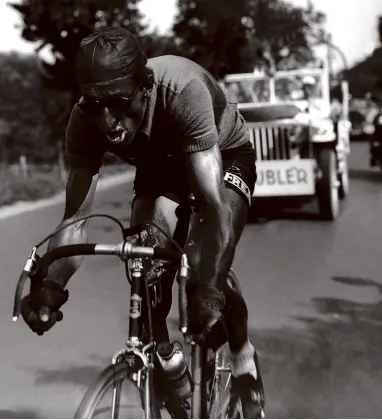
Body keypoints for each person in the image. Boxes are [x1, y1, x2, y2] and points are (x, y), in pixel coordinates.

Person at [20, 27, 264, 417]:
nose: (108, 121)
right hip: (160, 168)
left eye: (118, 103)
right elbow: (76, 218)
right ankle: (167, 362)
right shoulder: (86, 120)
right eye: (94, 106)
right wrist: (52, 283)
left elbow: (214, 206)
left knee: (205, 271)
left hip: (221, 155)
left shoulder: (181, 91)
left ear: (146, 87)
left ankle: (243, 359)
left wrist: (209, 290)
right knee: (145, 266)